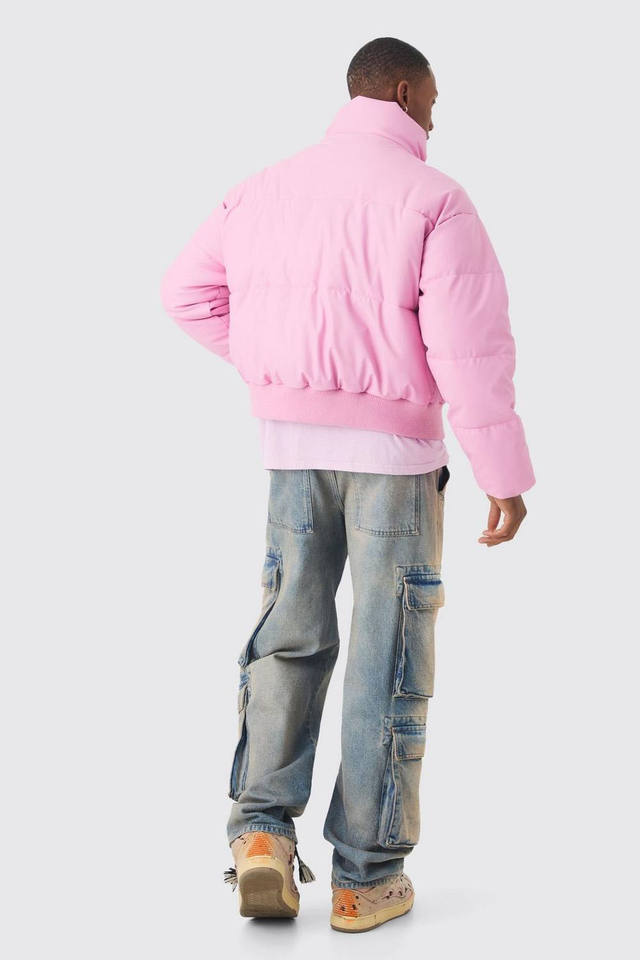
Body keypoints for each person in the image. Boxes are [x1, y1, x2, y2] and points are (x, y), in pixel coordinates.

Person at [160, 36, 535, 933]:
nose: (436, 118)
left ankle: (260, 833)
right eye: (433, 101)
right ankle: (366, 876)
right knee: (387, 653)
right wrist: (503, 473)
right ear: (402, 91)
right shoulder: (434, 198)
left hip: (291, 450)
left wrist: (278, 371)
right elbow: (469, 348)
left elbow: (187, 294)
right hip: (396, 460)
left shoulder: (263, 187)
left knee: (288, 631)